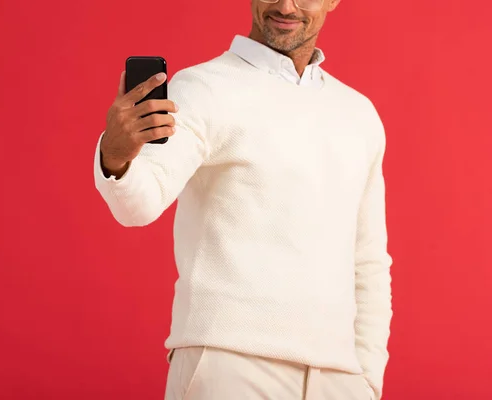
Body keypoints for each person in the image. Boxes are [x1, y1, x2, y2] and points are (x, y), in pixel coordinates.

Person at [94, 0, 393, 398]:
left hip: (338, 378)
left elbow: (369, 259)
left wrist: (367, 376)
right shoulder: (202, 88)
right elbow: (139, 204)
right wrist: (115, 154)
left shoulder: (358, 114)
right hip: (229, 366)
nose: (286, 6)